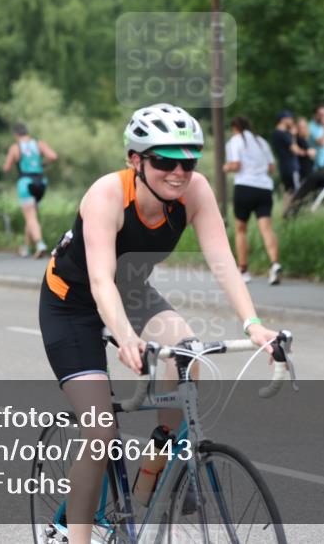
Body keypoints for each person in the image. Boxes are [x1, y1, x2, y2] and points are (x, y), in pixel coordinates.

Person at [39, 103, 279, 544]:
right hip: (71, 304)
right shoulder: (106, 196)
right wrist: (127, 339)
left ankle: (150, 477)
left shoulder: (195, 192)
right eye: (164, 161)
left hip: (131, 294)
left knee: (187, 358)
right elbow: (98, 280)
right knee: (99, 429)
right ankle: (74, 534)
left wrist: (254, 325)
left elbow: (223, 261)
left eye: (188, 162)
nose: (178, 172)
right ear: (136, 160)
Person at [224, 117, 283, 285]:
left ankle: (243, 269)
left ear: (235, 127)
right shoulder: (262, 142)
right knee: (266, 228)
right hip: (264, 188)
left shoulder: (235, 141)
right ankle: (274, 264)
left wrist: (225, 167)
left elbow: (236, 165)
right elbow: (271, 168)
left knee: (241, 229)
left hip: (244, 187)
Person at [3, 122, 57, 258]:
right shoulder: (39, 144)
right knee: (31, 216)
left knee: (30, 217)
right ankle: (26, 247)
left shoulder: (16, 147)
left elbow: (6, 167)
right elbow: (53, 156)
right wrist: (41, 163)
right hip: (40, 182)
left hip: (25, 182)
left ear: (15, 135)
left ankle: (40, 244)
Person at [270, 110, 309, 207]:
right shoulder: (284, 134)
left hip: (283, 167)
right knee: (296, 192)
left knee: (287, 192)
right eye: (290, 119)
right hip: (291, 167)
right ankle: (293, 213)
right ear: (284, 120)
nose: (292, 121)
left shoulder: (275, 134)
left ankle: (286, 213)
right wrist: (294, 135)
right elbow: (295, 150)